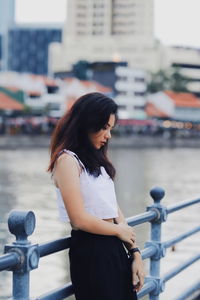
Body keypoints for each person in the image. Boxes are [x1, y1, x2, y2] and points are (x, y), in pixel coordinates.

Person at [48, 92, 145, 300]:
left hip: (115, 248)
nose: (108, 135)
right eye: (104, 127)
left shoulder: (98, 161)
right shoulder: (67, 161)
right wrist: (118, 231)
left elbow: (112, 208)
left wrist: (135, 253)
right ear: (86, 124)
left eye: (110, 128)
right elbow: (79, 219)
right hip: (91, 252)